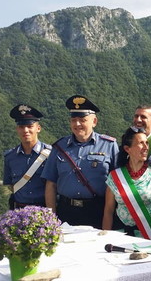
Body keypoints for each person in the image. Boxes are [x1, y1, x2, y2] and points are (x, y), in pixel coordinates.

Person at [42, 95, 118, 229]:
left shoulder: (109, 146)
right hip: (66, 211)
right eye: (73, 120)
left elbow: (117, 183)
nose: (77, 124)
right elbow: (51, 184)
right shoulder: (59, 147)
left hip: (98, 211)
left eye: (82, 120)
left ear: (94, 121)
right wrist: (51, 217)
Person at [102, 127, 151, 245]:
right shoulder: (115, 176)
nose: (146, 147)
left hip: (149, 235)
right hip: (120, 235)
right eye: (141, 143)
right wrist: (105, 237)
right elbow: (109, 210)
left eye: (147, 143)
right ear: (127, 149)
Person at [3, 104, 51, 209]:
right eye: (21, 127)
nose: (25, 130)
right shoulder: (10, 157)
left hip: (44, 212)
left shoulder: (50, 155)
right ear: (17, 129)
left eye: (30, 126)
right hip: (19, 212)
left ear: (38, 128)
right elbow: (11, 184)